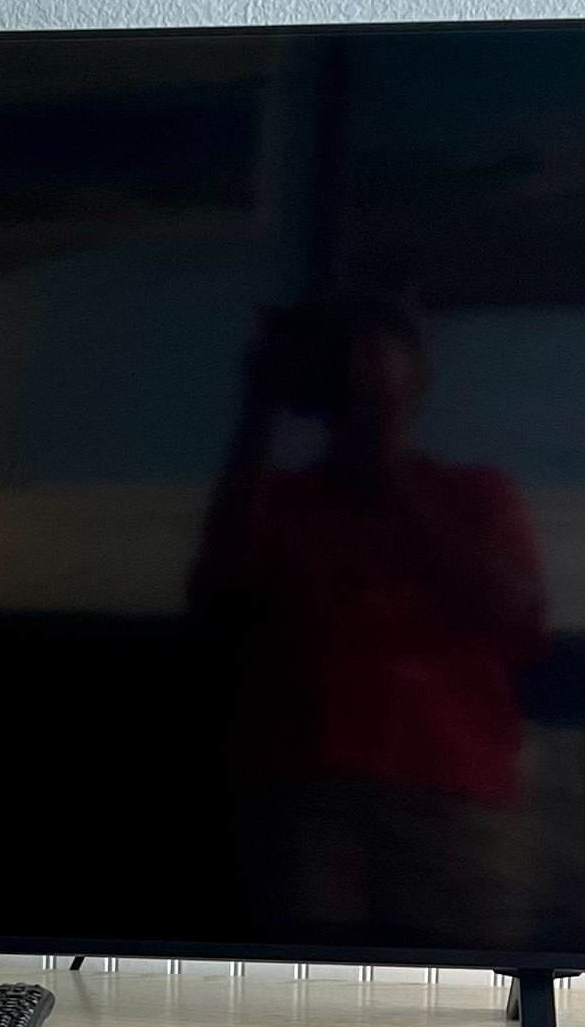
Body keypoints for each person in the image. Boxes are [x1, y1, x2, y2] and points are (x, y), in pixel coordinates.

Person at [189, 297, 547, 945]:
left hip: (452, 784)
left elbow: (513, 613)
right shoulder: (278, 502)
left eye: (376, 363)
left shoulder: (476, 496)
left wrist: (390, 470)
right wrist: (257, 412)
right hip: (302, 785)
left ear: (416, 380)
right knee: (299, 984)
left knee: (471, 982)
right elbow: (217, 603)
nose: (361, 383)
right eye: (346, 364)